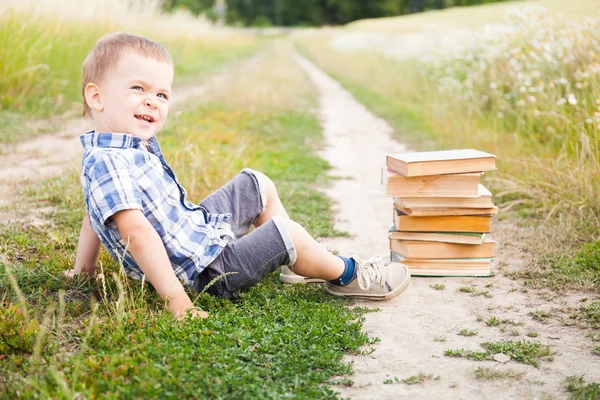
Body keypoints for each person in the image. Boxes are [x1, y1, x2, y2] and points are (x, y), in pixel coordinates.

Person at [66, 32, 410, 319]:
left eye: (162, 94)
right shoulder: (112, 160)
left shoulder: (120, 149)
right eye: (138, 89)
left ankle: (296, 260)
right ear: (96, 97)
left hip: (196, 236)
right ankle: (347, 273)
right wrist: (178, 302)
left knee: (255, 184)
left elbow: (92, 213)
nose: (153, 101)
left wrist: (84, 271)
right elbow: (137, 235)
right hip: (205, 274)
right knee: (285, 231)